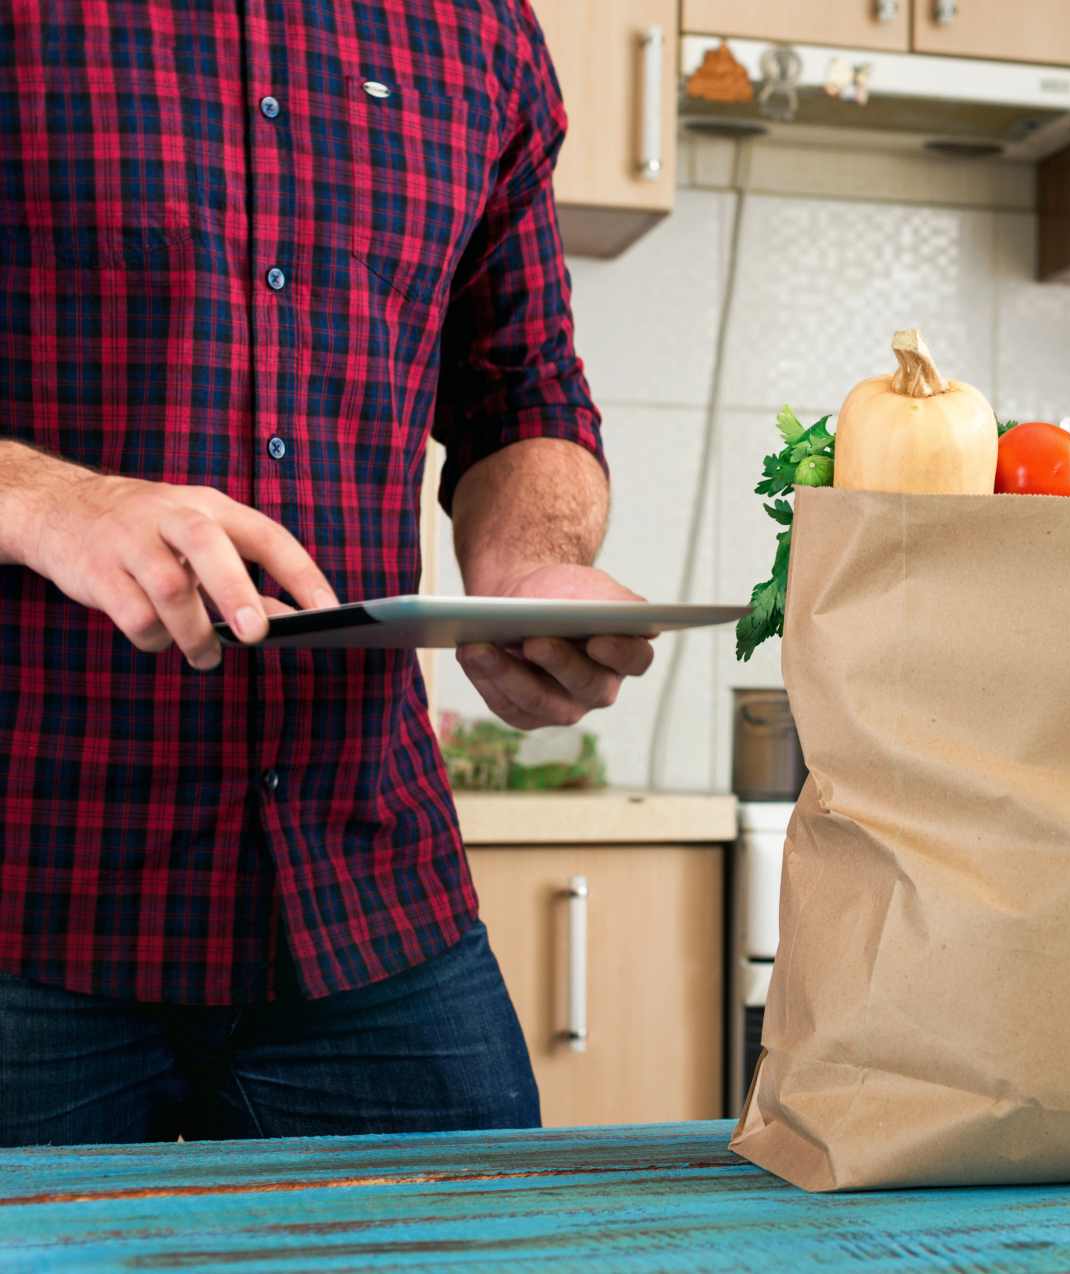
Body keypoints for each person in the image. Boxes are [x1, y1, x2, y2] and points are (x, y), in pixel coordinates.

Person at [0, 1, 648, 1145]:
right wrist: (59, 504)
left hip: (370, 894)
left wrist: (531, 575)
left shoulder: (481, 32)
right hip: (34, 890)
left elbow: (522, 392)